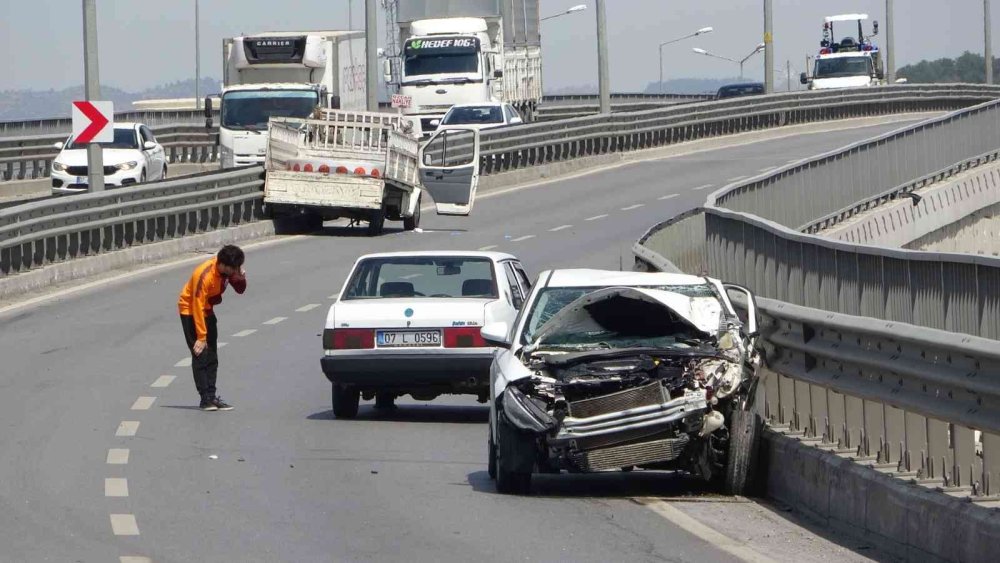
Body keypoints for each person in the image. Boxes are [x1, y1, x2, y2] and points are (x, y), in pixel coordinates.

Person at [178, 245, 247, 411]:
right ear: (223, 265)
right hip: (190, 311)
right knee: (201, 354)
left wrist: (240, 277)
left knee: (212, 356)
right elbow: (196, 306)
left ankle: (212, 396)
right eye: (234, 268)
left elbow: (240, 290)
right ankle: (204, 399)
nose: (236, 270)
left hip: (207, 311)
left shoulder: (227, 272)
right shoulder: (204, 274)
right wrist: (201, 337)